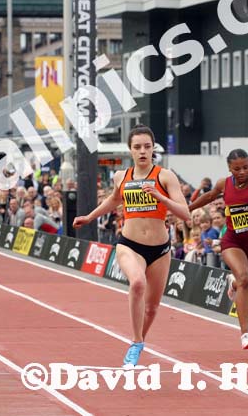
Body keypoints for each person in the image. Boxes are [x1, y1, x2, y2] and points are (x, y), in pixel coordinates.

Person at [73, 125, 190, 366]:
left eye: (147, 146)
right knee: (137, 283)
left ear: (153, 148)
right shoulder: (121, 177)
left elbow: (185, 213)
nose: (142, 151)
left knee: (152, 308)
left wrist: (160, 197)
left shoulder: (165, 176)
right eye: (137, 147)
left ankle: (139, 340)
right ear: (130, 150)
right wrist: (89, 217)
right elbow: (113, 200)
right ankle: (136, 342)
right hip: (129, 244)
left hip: (160, 249)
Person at [188, 149, 248, 349]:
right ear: (229, 169)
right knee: (244, 280)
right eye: (236, 169)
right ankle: (245, 335)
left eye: (245, 167)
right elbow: (208, 196)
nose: (241, 171)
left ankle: (232, 283)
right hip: (232, 241)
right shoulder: (224, 184)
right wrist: (186, 208)